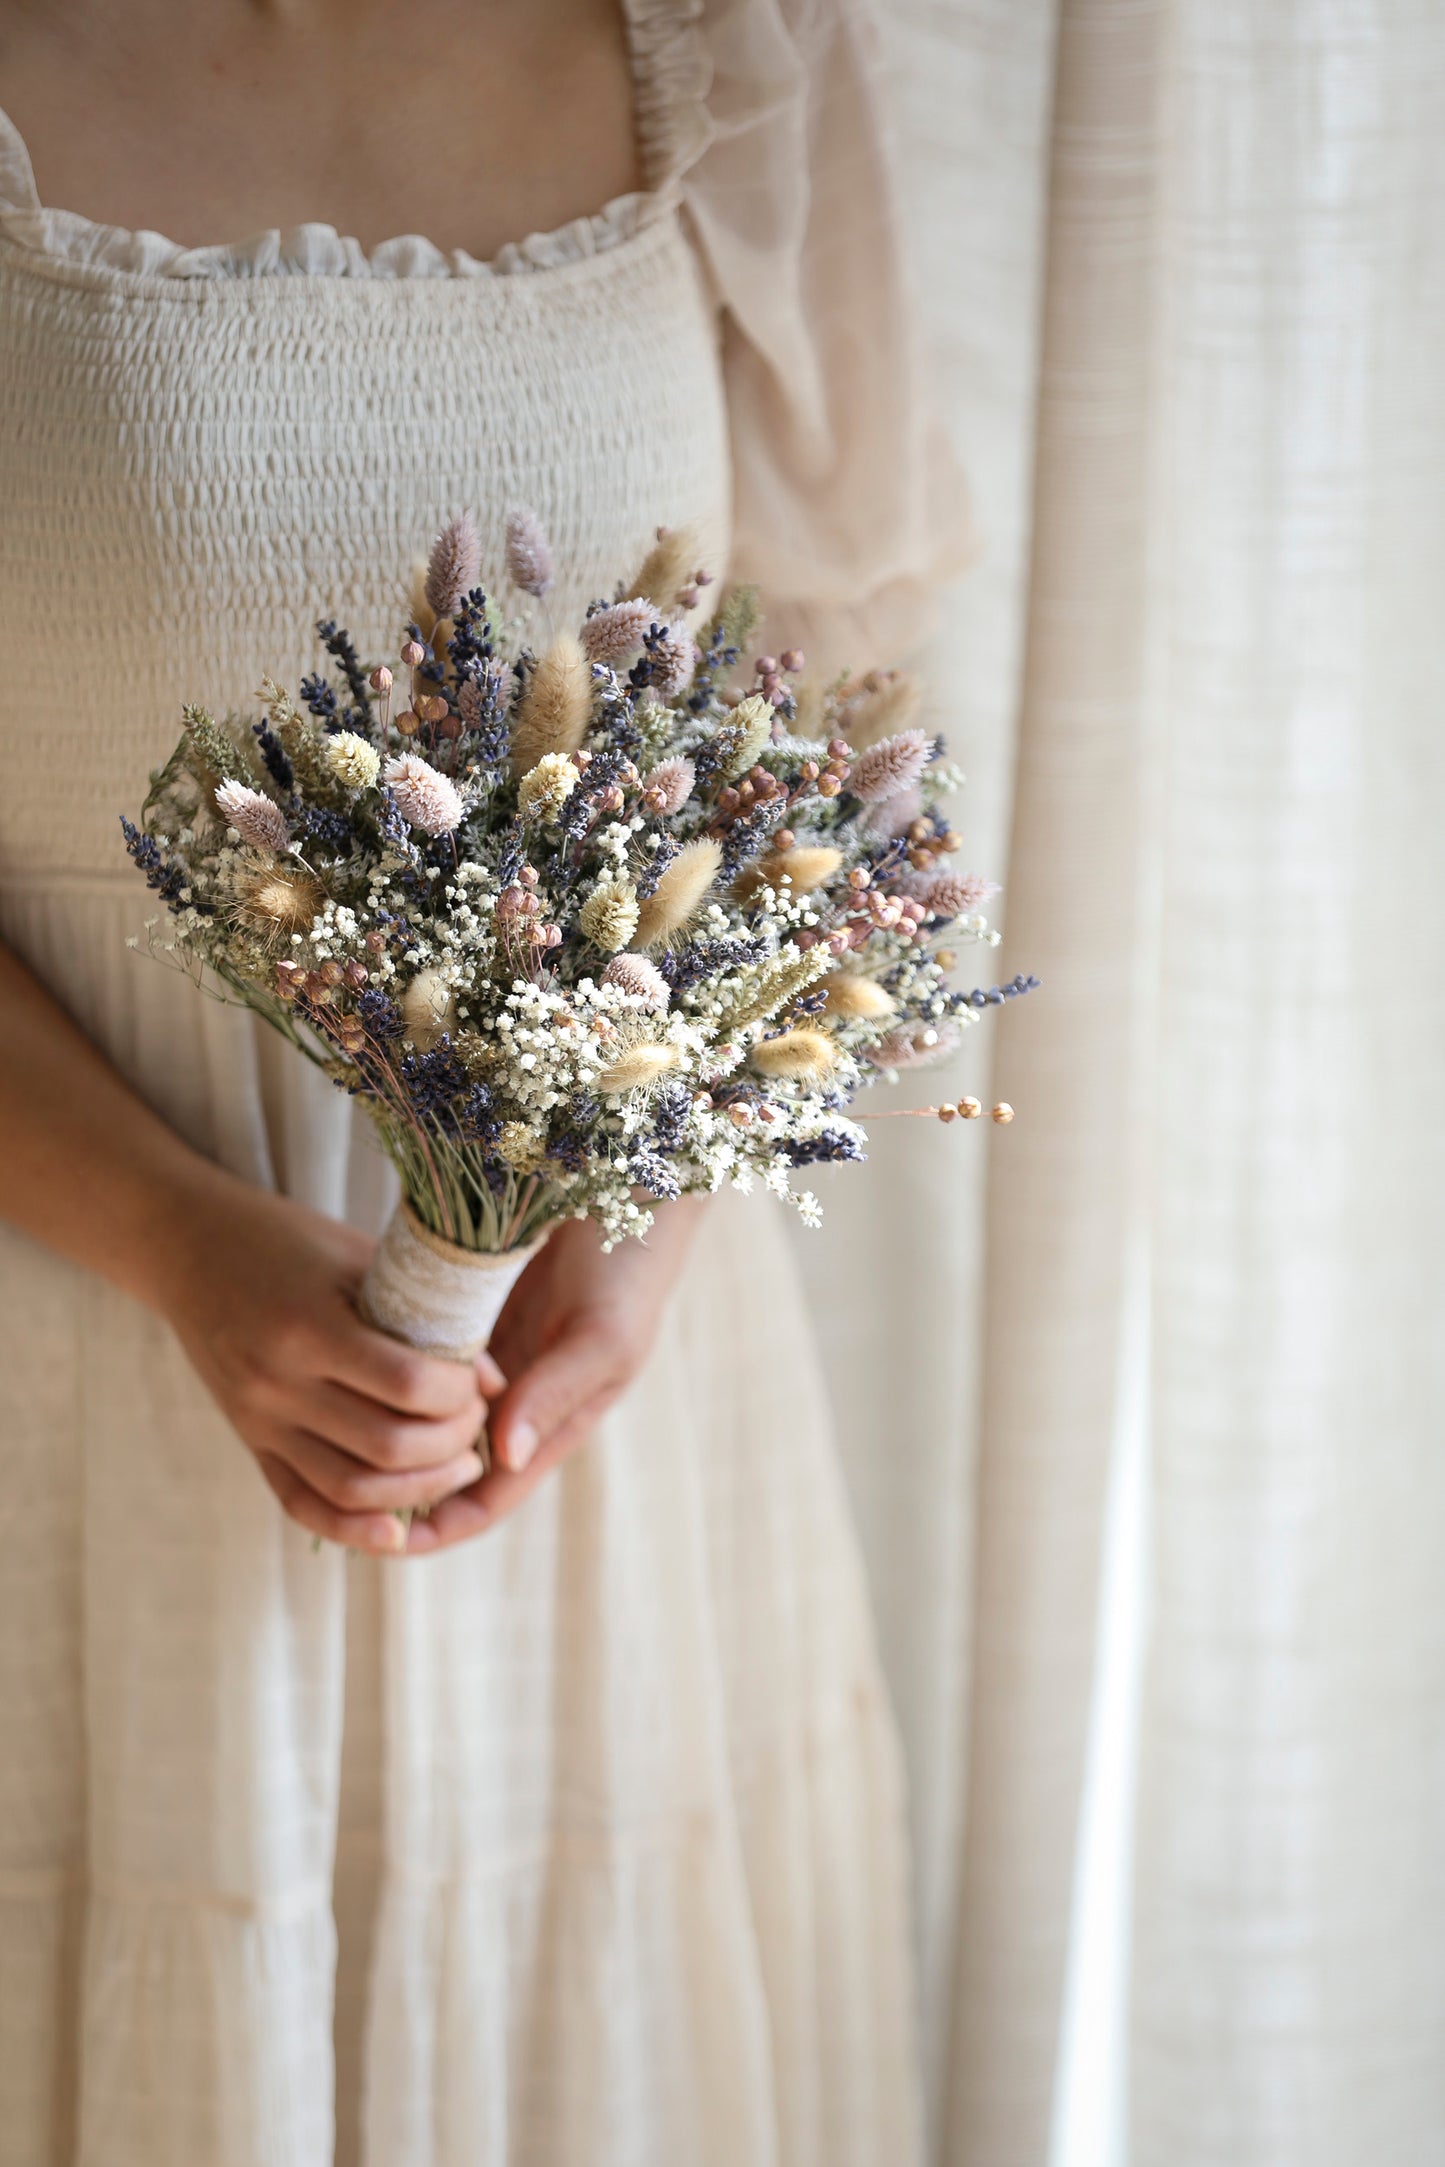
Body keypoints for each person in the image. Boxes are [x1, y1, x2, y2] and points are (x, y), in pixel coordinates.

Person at [0, 1, 971, 2158]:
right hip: (59, 1347)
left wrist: (635, 1218)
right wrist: (179, 1241)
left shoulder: (726, 51)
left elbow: (816, 699)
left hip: (600, 1422)